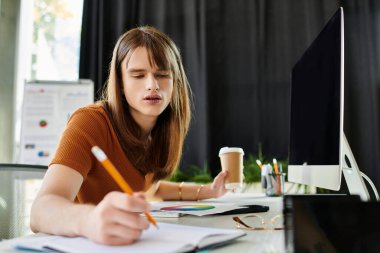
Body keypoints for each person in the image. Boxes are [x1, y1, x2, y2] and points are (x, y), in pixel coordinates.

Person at [30, 26, 229, 246]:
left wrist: (207, 191)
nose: (152, 85)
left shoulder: (158, 131)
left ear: (175, 83)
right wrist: (88, 220)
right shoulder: (89, 122)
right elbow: (40, 211)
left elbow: (150, 188)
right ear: (121, 83)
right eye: (138, 75)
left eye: (162, 75)